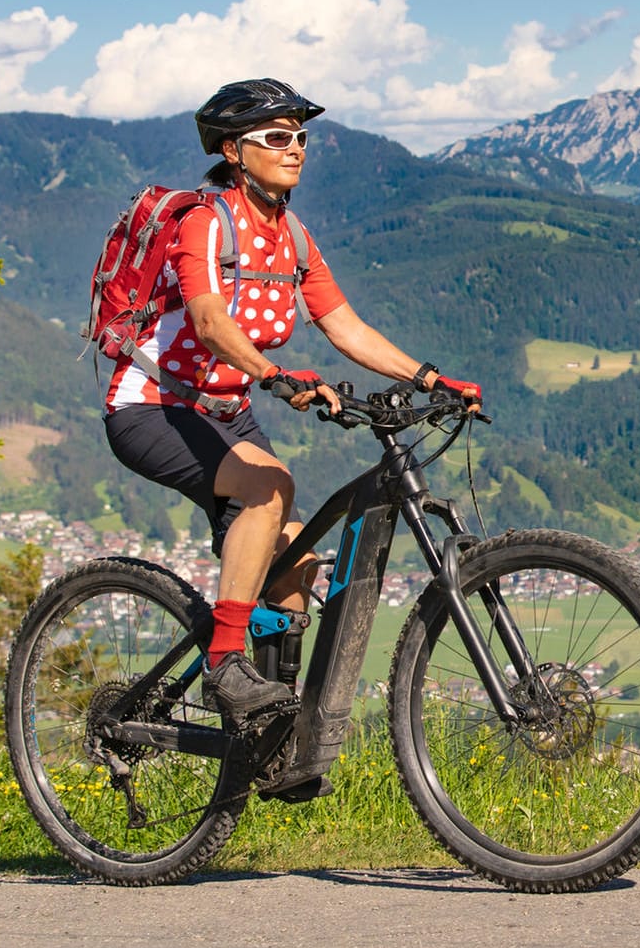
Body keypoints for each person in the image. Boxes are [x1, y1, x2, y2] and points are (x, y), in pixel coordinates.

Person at [101, 78, 481, 732]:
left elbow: (345, 327)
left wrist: (429, 378)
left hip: (222, 410)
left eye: (301, 137)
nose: (295, 148)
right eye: (277, 137)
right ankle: (224, 666)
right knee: (269, 485)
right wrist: (274, 374)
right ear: (231, 149)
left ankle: (272, 734)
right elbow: (210, 320)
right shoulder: (205, 223)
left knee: (295, 566)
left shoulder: (292, 237)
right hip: (153, 406)